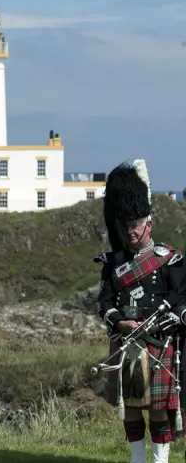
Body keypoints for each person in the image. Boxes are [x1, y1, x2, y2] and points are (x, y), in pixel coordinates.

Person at [96, 159, 186, 463]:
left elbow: (182, 298)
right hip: (126, 342)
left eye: (135, 224)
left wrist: (166, 320)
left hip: (159, 342)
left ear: (149, 223)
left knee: (159, 409)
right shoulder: (114, 264)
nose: (130, 231)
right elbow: (105, 303)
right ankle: (137, 461)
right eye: (126, 225)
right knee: (131, 409)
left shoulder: (170, 259)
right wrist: (120, 323)